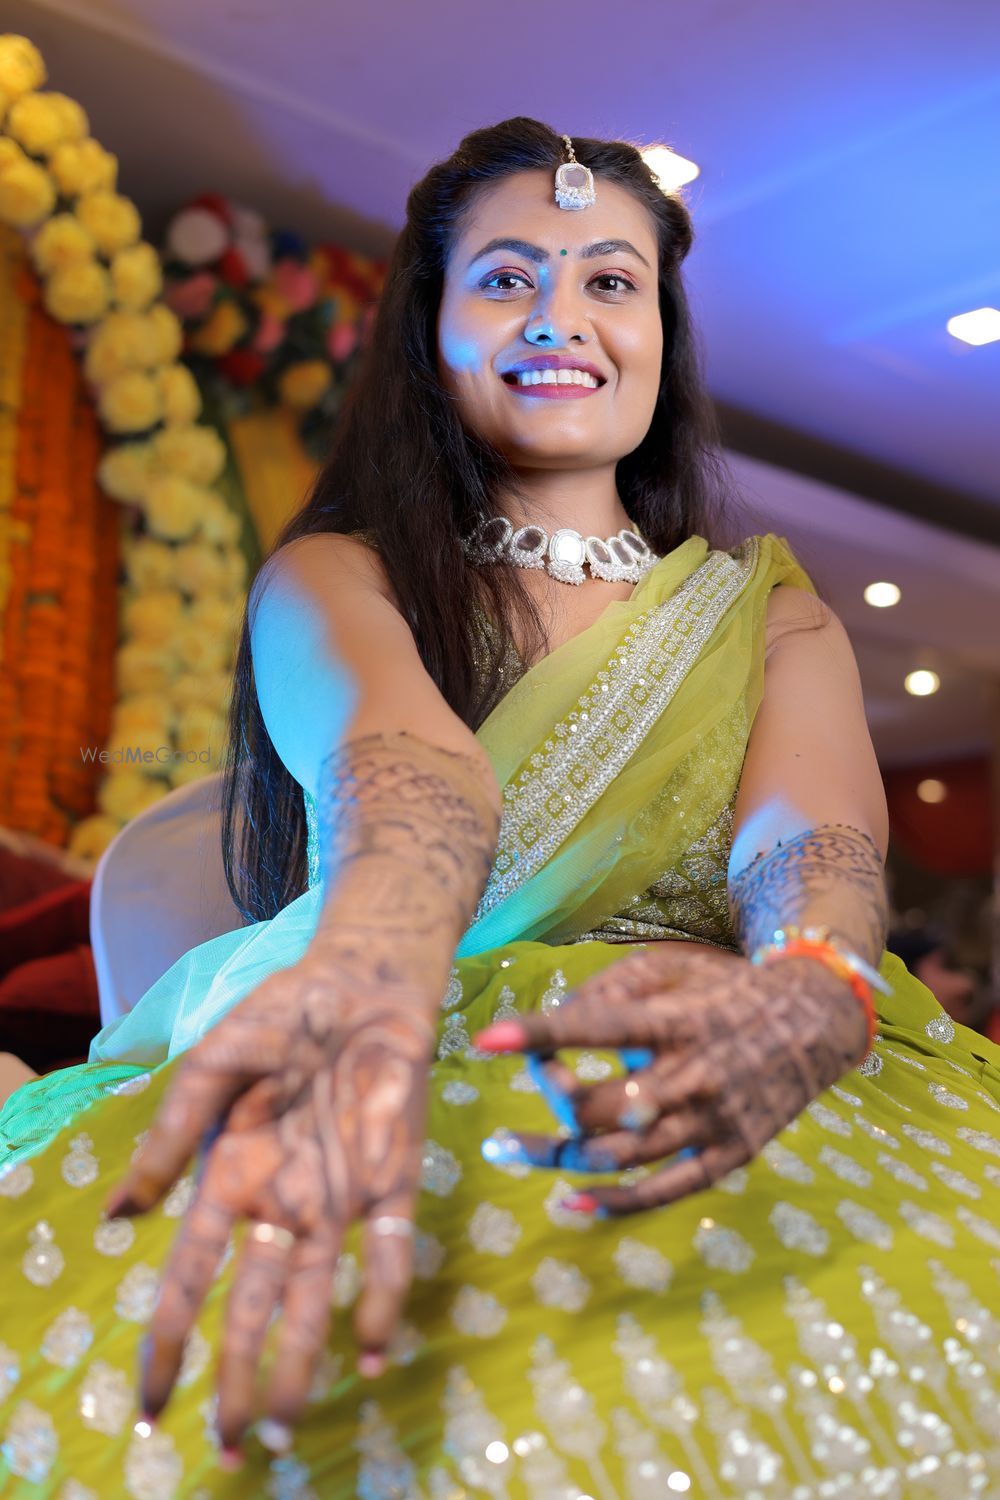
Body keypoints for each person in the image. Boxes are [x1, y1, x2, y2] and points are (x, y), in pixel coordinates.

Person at [1, 118, 998, 1499]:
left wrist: (816, 990)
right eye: (508, 278)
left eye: (609, 281)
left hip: (742, 1037)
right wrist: (368, 983)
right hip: (418, 1001)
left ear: (661, 332)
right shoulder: (344, 577)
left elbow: (810, 839)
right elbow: (407, 773)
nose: (561, 317)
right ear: (432, 332)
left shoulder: (768, 615)